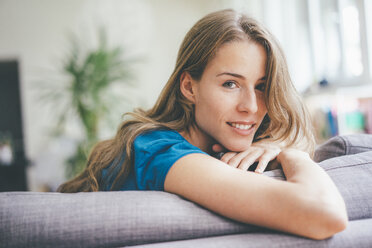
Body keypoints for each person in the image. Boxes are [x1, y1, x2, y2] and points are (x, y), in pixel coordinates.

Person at [58, 9, 347, 240]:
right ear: (189, 87)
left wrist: (277, 145)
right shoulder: (160, 151)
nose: (251, 105)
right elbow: (324, 214)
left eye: (261, 86)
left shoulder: (214, 147)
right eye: (230, 83)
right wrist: (292, 155)